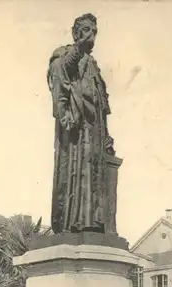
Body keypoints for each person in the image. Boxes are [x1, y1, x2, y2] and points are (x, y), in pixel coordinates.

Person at [47, 13, 116, 234]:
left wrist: (106, 135)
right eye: (86, 30)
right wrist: (79, 47)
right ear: (76, 33)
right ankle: (75, 223)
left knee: (94, 179)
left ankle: (93, 223)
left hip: (94, 132)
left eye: (94, 32)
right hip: (76, 133)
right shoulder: (65, 55)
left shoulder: (94, 66)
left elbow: (101, 104)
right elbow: (62, 71)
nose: (92, 36)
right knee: (77, 175)